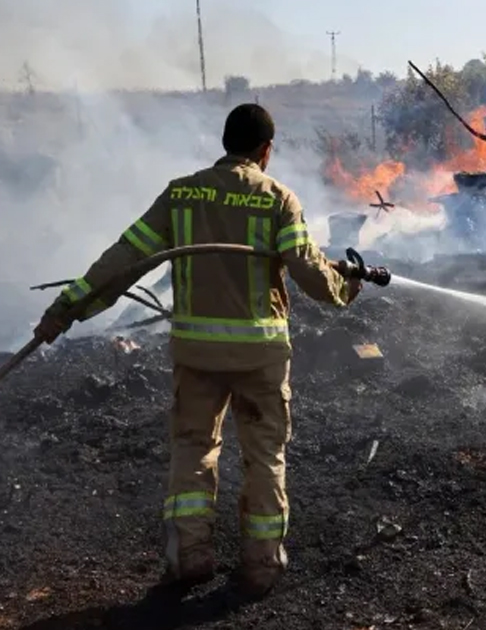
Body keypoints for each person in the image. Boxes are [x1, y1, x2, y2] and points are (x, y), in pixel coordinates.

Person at [34, 103, 362, 598]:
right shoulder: (278, 198)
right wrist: (347, 285)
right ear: (265, 150)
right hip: (259, 355)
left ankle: (189, 557)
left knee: (192, 449)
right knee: (265, 455)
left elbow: (125, 258)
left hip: (197, 353)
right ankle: (261, 565)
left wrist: (66, 309)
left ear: (226, 142)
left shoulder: (181, 194)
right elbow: (310, 272)